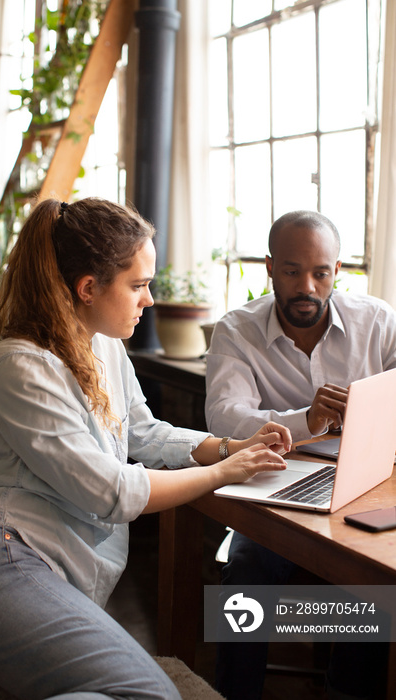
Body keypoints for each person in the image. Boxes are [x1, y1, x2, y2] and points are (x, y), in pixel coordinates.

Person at [0, 197, 292, 700]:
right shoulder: (21, 365)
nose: (149, 300)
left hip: (42, 578)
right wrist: (225, 470)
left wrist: (230, 444)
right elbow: (112, 491)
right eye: (139, 285)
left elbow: (142, 432)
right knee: (151, 692)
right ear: (87, 288)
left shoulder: (103, 344)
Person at [205, 210, 396, 700]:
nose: (306, 286)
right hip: (274, 487)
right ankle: (235, 694)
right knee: (243, 575)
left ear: (338, 272)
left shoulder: (379, 322)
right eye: (291, 271)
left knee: (377, 584)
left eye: (321, 272)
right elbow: (223, 418)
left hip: (366, 484)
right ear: (269, 268)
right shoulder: (235, 331)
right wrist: (304, 420)